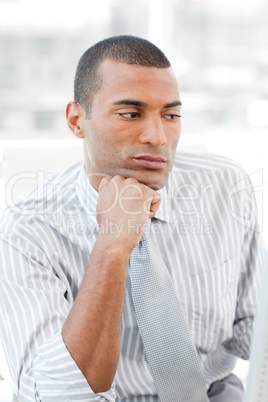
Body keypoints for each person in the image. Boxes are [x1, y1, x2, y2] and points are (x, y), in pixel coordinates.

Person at [0, 35, 264, 402]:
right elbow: (56, 393)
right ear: (77, 120)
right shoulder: (26, 230)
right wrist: (113, 242)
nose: (158, 137)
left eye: (170, 115)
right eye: (131, 113)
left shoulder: (224, 185)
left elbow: (252, 330)